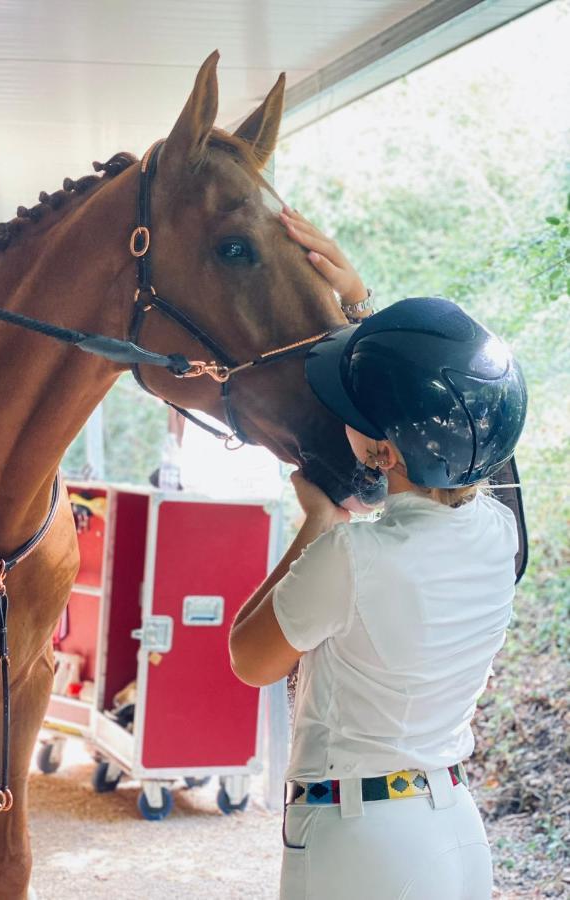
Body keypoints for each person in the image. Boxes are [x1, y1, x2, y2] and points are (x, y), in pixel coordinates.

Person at [229, 208, 527, 900]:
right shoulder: (498, 531)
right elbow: (460, 402)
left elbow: (250, 657)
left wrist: (317, 520)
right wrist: (360, 307)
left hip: (362, 841)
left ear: (381, 451)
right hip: (452, 827)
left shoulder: (351, 556)